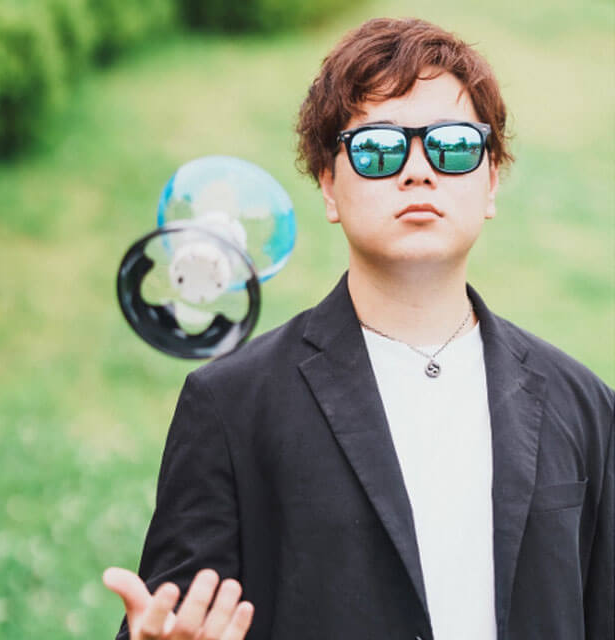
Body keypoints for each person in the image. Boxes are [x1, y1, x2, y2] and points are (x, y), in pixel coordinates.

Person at [104, 17, 614, 640]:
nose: (418, 171)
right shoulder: (230, 406)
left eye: (454, 145)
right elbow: (175, 618)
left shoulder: (586, 405)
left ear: (490, 182)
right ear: (328, 185)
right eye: (378, 149)